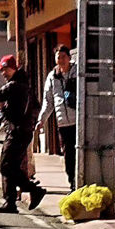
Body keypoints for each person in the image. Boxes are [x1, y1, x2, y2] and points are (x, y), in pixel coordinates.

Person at [0, 55, 45, 214]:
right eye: (1, 70)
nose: (3, 72)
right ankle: (10, 201)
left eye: (6, 69)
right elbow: (36, 106)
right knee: (11, 166)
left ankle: (32, 190)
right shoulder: (25, 86)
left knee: (6, 166)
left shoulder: (14, 86)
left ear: (14, 68)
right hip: (21, 131)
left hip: (17, 132)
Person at [36, 45, 77, 189]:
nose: (61, 60)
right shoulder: (52, 77)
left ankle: (80, 182)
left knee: (80, 152)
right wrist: (41, 120)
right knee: (68, 154)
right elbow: (48, 101)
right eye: (58, 57)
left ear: (69, 57)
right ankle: (72, 182)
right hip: (63, 123)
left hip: (79, 122)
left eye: (64, 57)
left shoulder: (77, 73)